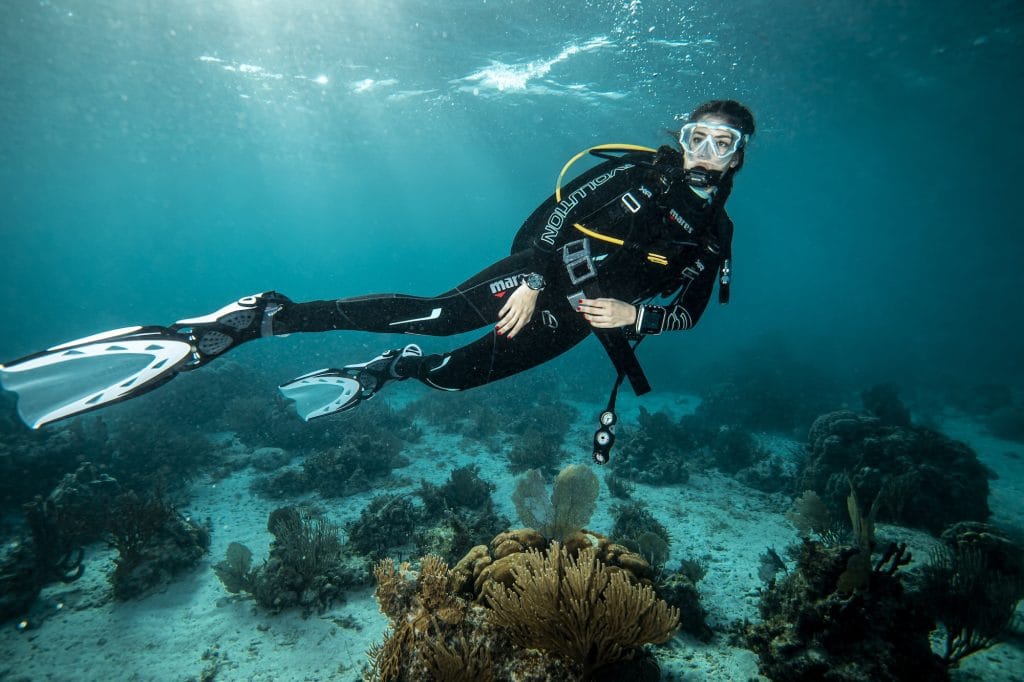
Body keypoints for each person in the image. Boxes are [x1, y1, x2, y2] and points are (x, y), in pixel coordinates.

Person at [0, 100, 755, 457]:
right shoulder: (627, 174)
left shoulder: (717, 236)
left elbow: (687, 314)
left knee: (454, 377)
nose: (705, 152)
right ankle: (262, 317)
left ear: (738, 156)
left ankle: (388, 372)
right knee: (435, 314)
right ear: (679, 137)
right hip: (538, 278)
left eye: (723, 144)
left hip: (583, 318)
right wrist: (530, 278)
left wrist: (636, 321)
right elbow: (545, 223)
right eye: (697, 137)